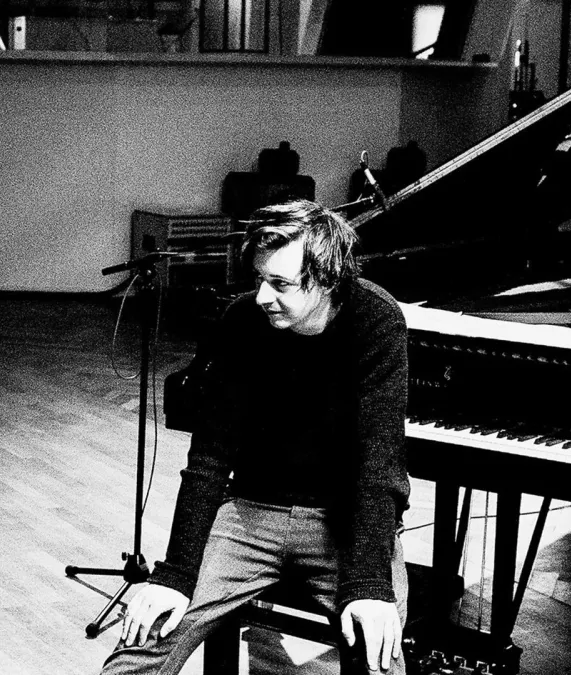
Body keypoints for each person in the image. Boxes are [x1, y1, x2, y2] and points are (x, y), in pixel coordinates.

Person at [99, 200, 411, 674]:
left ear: (328, 278)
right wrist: (176, 574)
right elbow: (209, 456)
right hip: (249, 512)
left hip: (343, 520)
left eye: (280, 284)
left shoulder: (375, 318)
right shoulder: (242, 320)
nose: (262, 296)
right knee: (148, 637)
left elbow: (379, 462)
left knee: (378, 655)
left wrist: (369, 583)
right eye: (260, 279)